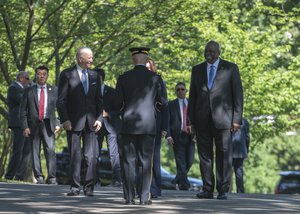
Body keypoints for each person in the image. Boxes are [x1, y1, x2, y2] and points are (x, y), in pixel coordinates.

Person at [188, 40, 243, 200]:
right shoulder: (197, 70)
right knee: (205, 156)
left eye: (212, 51)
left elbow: (238, 95)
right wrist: (190, 121)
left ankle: (223, 189)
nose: (208, 54)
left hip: (224, 119)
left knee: (224, 155)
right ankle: (207, 189)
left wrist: (236, 119)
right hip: (202, 119)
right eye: (206, 51)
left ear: (218, 52)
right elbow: (193, 97)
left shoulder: (230, 68)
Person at [114, 47, 166, 205]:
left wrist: (124, 111)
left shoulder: (123, 78)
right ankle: (144, 198)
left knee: (128, 162)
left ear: (133, 60)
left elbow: (117, 103)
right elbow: (163, 102)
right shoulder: (156, 78)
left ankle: (129, 198)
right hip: (148, 124)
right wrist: (152, 109)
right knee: (145, 162)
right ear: (146, 60)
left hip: (129, 123)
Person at [56, 47, 103, 196]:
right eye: (89, 57)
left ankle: (89, 188)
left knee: (91, 157)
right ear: (80, 58)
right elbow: (61, 101)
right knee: (75, 156)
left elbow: (99, 101)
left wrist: (99, 119)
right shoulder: (67, 74)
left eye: (92, 57)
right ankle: (75, 187)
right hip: (73, 123)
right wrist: (65, 120)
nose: (92, 59)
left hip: (91, 123)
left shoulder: (96, 75)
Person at [20, 66, 59, 184]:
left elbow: (60, 108)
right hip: (33, 125)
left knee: (50, 150)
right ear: (35, 75)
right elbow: (23, 111)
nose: (41, 76)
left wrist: (58, 123)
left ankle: (52, 177)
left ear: (47, 75)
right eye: (39, 74)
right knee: (35, 151)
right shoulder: (29, 90)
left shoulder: (54, 90)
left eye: (44, 74)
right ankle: (39, 177)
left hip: (48, 124)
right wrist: (25, 126)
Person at [94, 68, 122, 187]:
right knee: (95, 153)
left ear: (102, 78)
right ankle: (94, 180)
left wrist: (108, 114)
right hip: (96, 126)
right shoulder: (90, 92)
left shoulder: (112, 92)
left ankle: (117, 179)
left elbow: (120, 108)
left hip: (111, 126)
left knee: (114, 154)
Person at [146, 59, 168, 198]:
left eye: (149, 67)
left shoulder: (158, 80)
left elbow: (165, 104)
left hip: (156, 124)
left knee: (155, 159)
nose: (147, 69)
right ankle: (142, 188)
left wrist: (165, 127)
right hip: (142, 124)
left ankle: (155, 189)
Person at [166, 82, 195, 190]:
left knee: (190, 160)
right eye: (178, 89)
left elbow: (197, 120)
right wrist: (168, 136)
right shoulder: (171, 104)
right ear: (175, 92)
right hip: (177, 136)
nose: (180, 91)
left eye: (182, 89)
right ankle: (185, 185)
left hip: (191, 136)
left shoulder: (192, 103)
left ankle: (177, 179)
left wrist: (197, 134)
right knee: (180, 161)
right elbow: (167, 122)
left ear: (186, 90)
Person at [5, 71, 31, 181]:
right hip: (18, 123)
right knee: (18, 150)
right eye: (28, 79)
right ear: (21, 78)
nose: (29, 81)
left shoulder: (24, 89)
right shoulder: (13, 88)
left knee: (27, 151)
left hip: (26, 123)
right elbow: (23, 101)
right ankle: (9, 175)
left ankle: (20, 176)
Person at [232, 117, 250, 193]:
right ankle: (240, 191)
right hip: (240, 150)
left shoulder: (228, 120)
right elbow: (247, 137)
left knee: (226, 171)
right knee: (239, 170)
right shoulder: (245, 121)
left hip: (229, 149)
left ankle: (224, 190)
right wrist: (247, 150)